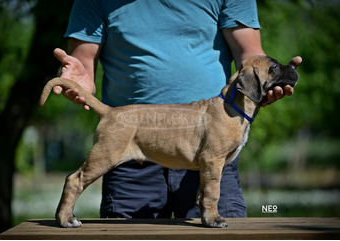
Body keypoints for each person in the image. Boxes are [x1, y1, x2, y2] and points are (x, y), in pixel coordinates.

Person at [53, 0, 302, 219]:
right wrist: (80, 77)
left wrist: (272, 80)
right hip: (132, 154)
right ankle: (65, 210)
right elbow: (83, 60)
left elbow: (251, 58)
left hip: (213, 151)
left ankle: (209, 209)